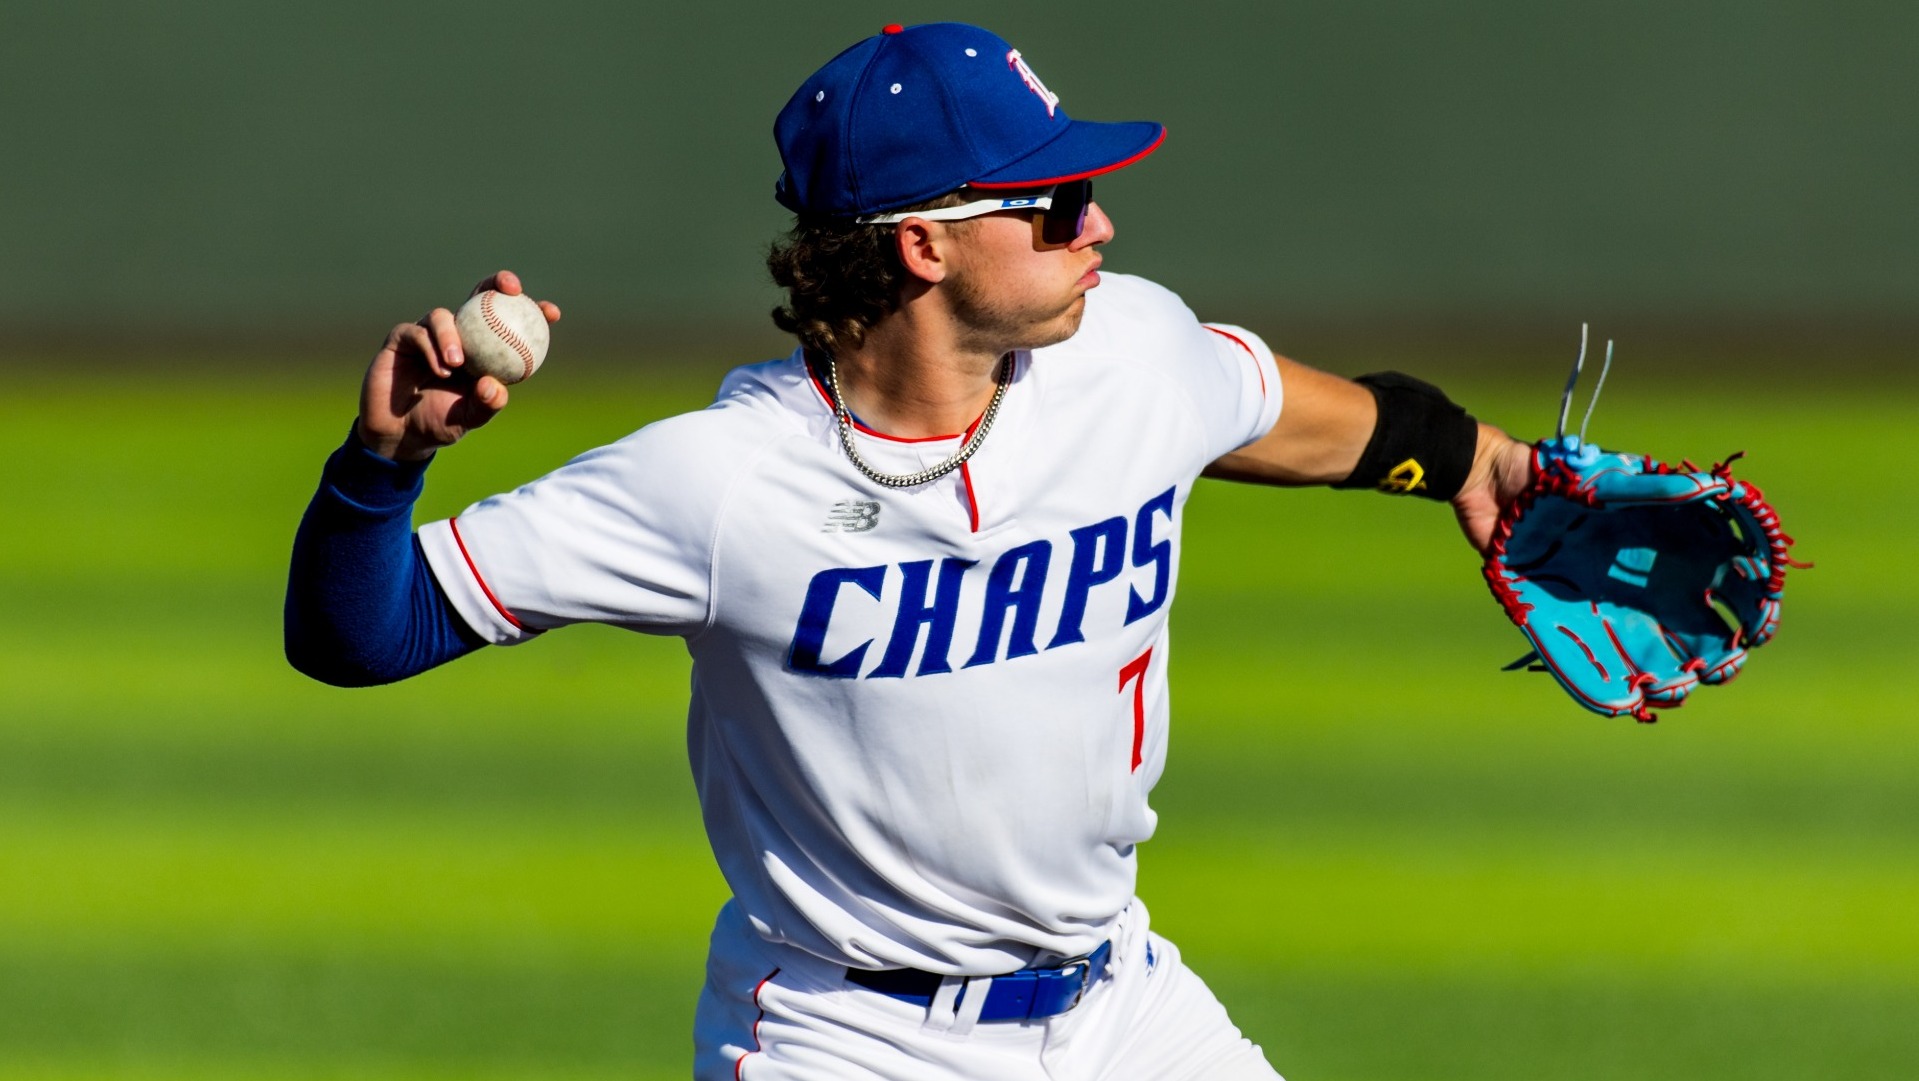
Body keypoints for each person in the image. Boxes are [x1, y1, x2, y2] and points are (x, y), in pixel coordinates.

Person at [287, 22, 1534, 1081]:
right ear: (922, 243)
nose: (1095, 220)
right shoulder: (718, 484)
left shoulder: (1131, 352)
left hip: (1124, 1011)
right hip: (850, 1034)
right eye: (1048, 203)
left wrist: (1482, 464)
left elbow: (1303, 418)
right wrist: (381, 464)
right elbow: (360, 635)